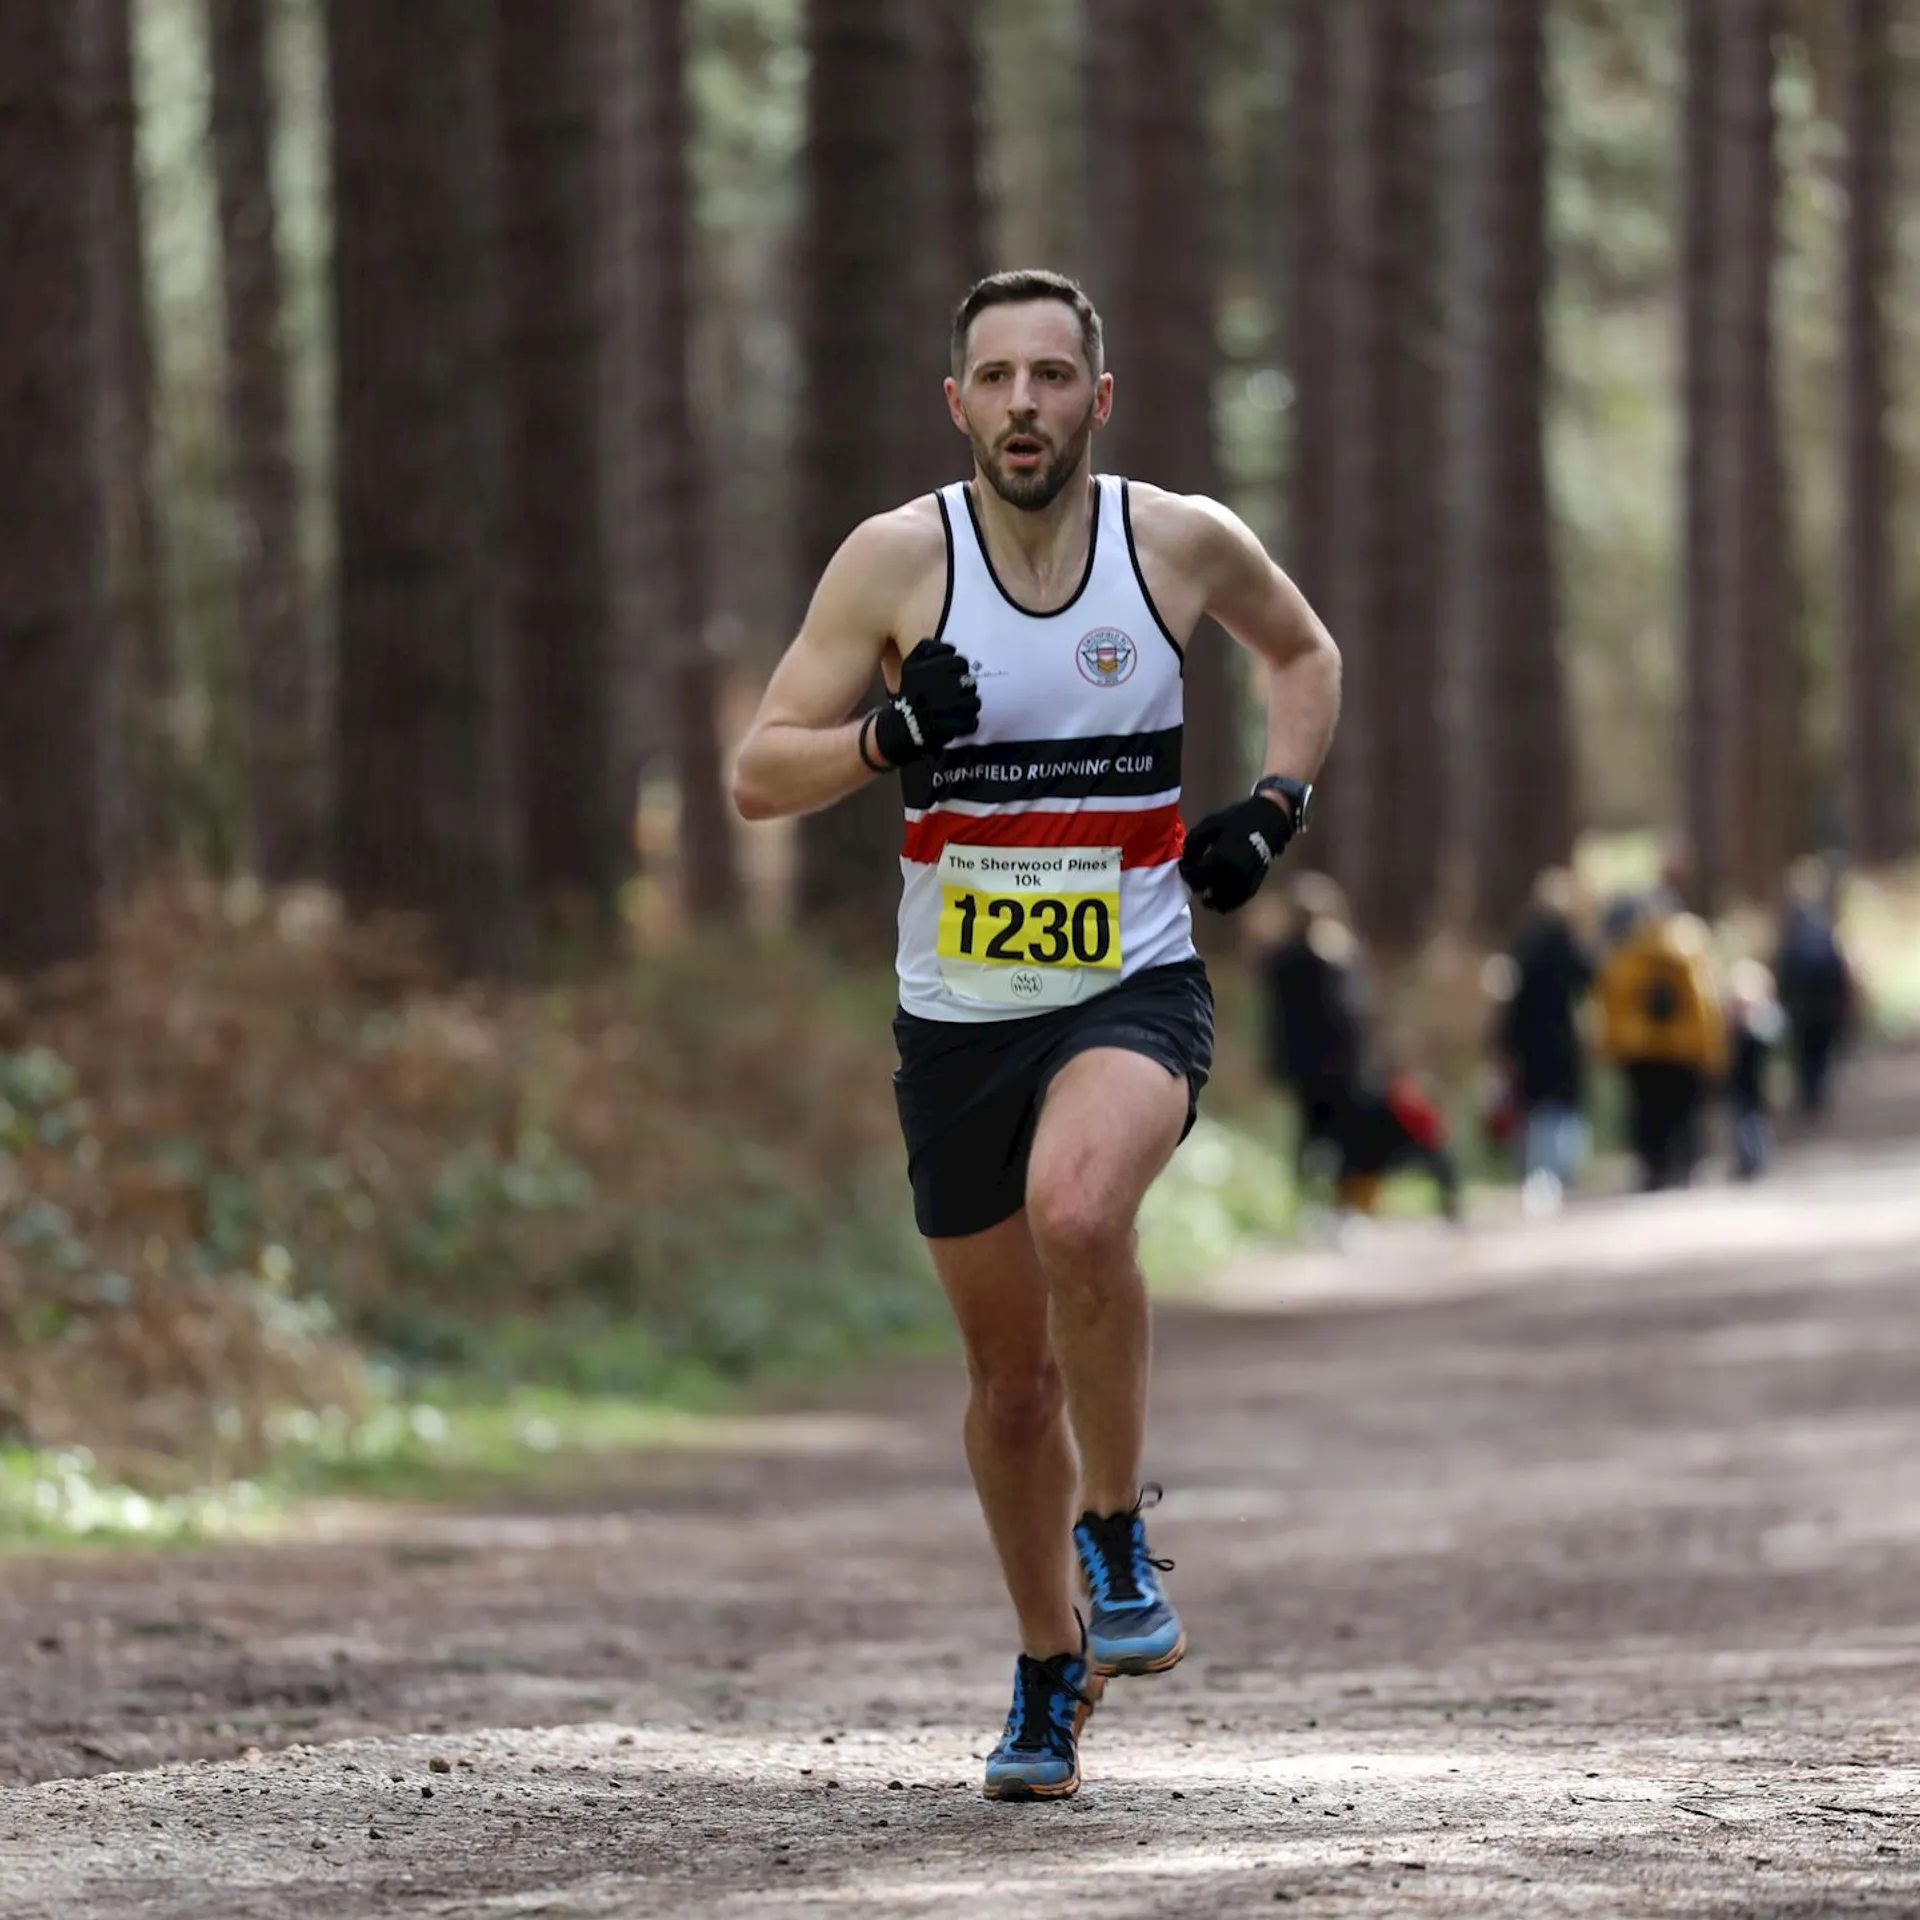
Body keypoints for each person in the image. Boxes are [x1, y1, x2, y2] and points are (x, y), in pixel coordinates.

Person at [730, 270, 1341, 1801]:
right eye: (995, 378)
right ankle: (1048, 1663)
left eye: (1052, 376)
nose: (1023, 404)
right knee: (1011, 1386)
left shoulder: (1176, 544)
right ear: (957, 404)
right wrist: (885, 738)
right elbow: (755, 775)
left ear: (1096, 399)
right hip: (956, 1023)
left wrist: (1276, 805)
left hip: (1132, 982)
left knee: (1083, 1211)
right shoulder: (892, 563)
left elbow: (1305, 655)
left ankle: (1118, 1526)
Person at [1595, 884, 1726, 1192]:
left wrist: (1612, 1043)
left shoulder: (1628, 949)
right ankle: (1688, 1166)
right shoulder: (1692, 947)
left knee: (1647, 1112)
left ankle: (1654, 1168)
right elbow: (1706, 1002)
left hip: (1640, 1046)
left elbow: (1612, 997)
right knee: (1685, 1111)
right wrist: (1712, 1048)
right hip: (1685, 1046)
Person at [1494, 868, 1595, 1214]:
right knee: (1560, 1109)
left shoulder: (1523, 944)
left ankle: (1538, 1177)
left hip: (1528, 1042)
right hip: (1559, 1039)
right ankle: (1553, 1176)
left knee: (1536, 1111)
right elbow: (1588, 977)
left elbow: (1510, 999)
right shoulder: (1564, 941)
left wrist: (1504, 1044)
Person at [1772, 856, 1854, 1119]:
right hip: (1825, 1004)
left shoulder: (1791, 929)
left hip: (1800, 1005)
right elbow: (1839, 966)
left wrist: (1782, 999)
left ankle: (1809, 1095)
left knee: (1804, 1051)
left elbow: (1783, 967)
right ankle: (1815, 1094)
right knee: (1820, 1051)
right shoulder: (1825, 927)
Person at [1725, 957, 1784, 1181]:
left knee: (1751, 1119)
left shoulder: (1754, 1027)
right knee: (1749, 1119)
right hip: (1747, 1084)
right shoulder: (1757, 1024)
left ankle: (1755, 1159)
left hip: (1750, 1084)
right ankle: (1752, 1159)